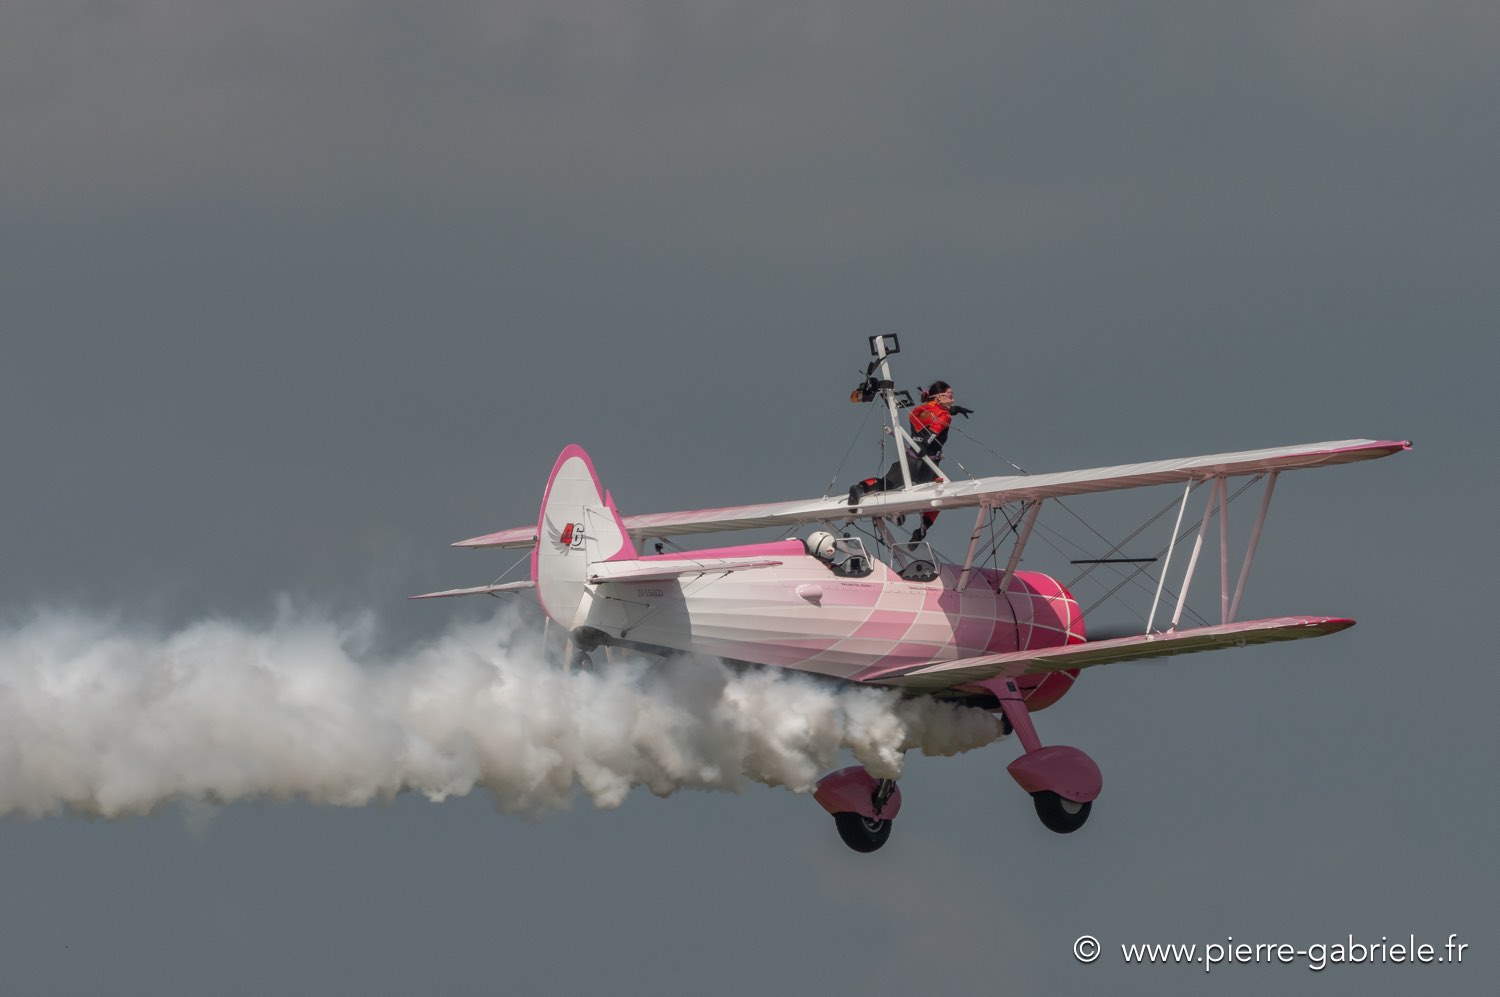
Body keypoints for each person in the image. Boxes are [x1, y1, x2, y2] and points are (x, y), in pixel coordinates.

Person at [849, 380, 969, 543]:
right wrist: (926, 443)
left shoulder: (917, 411)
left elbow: (929, 415)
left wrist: (955, 410)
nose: (953, 400)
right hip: (927, 465)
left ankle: (860, 488)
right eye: (950, 396)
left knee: (886, 483)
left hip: (909, 460)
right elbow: (935, 429)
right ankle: (923, 527)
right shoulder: (944, 416)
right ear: (939, 397)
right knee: (939, 494)